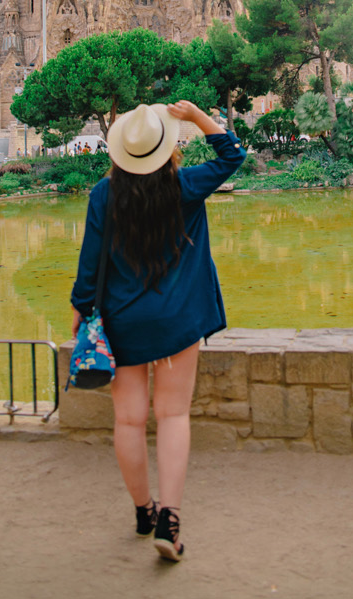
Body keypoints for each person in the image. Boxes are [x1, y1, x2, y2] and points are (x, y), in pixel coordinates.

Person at [69, 99, 244, 562]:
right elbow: (233, 156)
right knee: (173, 416)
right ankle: (170, 519)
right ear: (167, 150)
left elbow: (89, 268)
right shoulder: (185, 186)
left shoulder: (103, 196)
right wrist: (198, 119)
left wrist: (80, 310)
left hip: (122, 321)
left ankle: (143, 512)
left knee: (128, 420)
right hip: (178, 318)